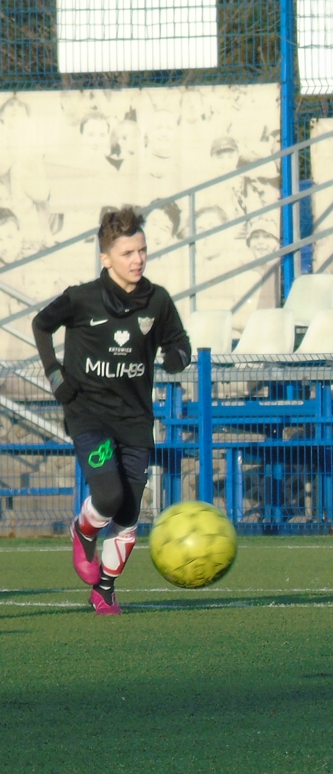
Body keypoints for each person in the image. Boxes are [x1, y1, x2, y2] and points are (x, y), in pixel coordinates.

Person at [32, 207, 191, 615]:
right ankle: (83, 530)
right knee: (108, 494)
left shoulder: (158, 301)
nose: (137, 259)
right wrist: (55, 375)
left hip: (135, 420)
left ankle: (105, 590)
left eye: (142, 250)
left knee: (130, 511)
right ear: (106, 258)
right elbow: (40, 324)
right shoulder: (81, 298)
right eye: (127, 253)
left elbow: (180, 343)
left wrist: (177, 356)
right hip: (89, 415)